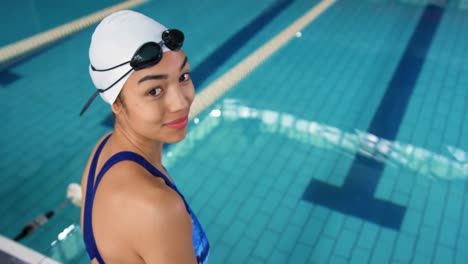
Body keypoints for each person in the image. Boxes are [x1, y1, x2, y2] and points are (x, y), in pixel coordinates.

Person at [79, 10, 210, 264]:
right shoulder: (158, 207)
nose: (180, 102)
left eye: (183, 77)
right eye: (154, 90)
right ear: (116, 103)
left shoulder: (102, 150)